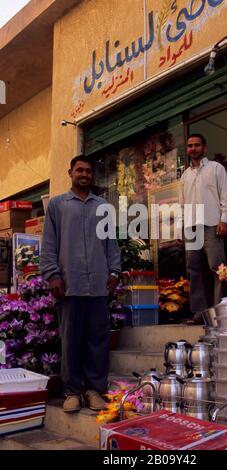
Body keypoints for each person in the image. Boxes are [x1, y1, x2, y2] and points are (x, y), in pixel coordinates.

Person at [40, 155, 121, 412]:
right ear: (70, 173)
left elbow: (111, 243)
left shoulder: (103, 207)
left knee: (97, 339)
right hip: (69, 285)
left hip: (98, 285)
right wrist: (53, 275)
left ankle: (94, 390)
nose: (84, 175)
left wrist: (114, 272)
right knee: (71, 339)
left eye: (88, 171)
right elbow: (49, 244)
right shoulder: (57, 206)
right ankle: (72, 391)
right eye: (79, 171)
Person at [179, 134, 227, 320]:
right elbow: (182, 204)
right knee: (194, 270)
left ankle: (221, 311)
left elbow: (225, 197)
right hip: (192, 227)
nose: (193, 148)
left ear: (204, 147)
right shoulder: (185, 175)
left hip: (212, 224)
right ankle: (200, 313)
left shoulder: (216, 168)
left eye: (196, 145)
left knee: (218, 269)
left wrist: (224, 219)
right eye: (190, 146)